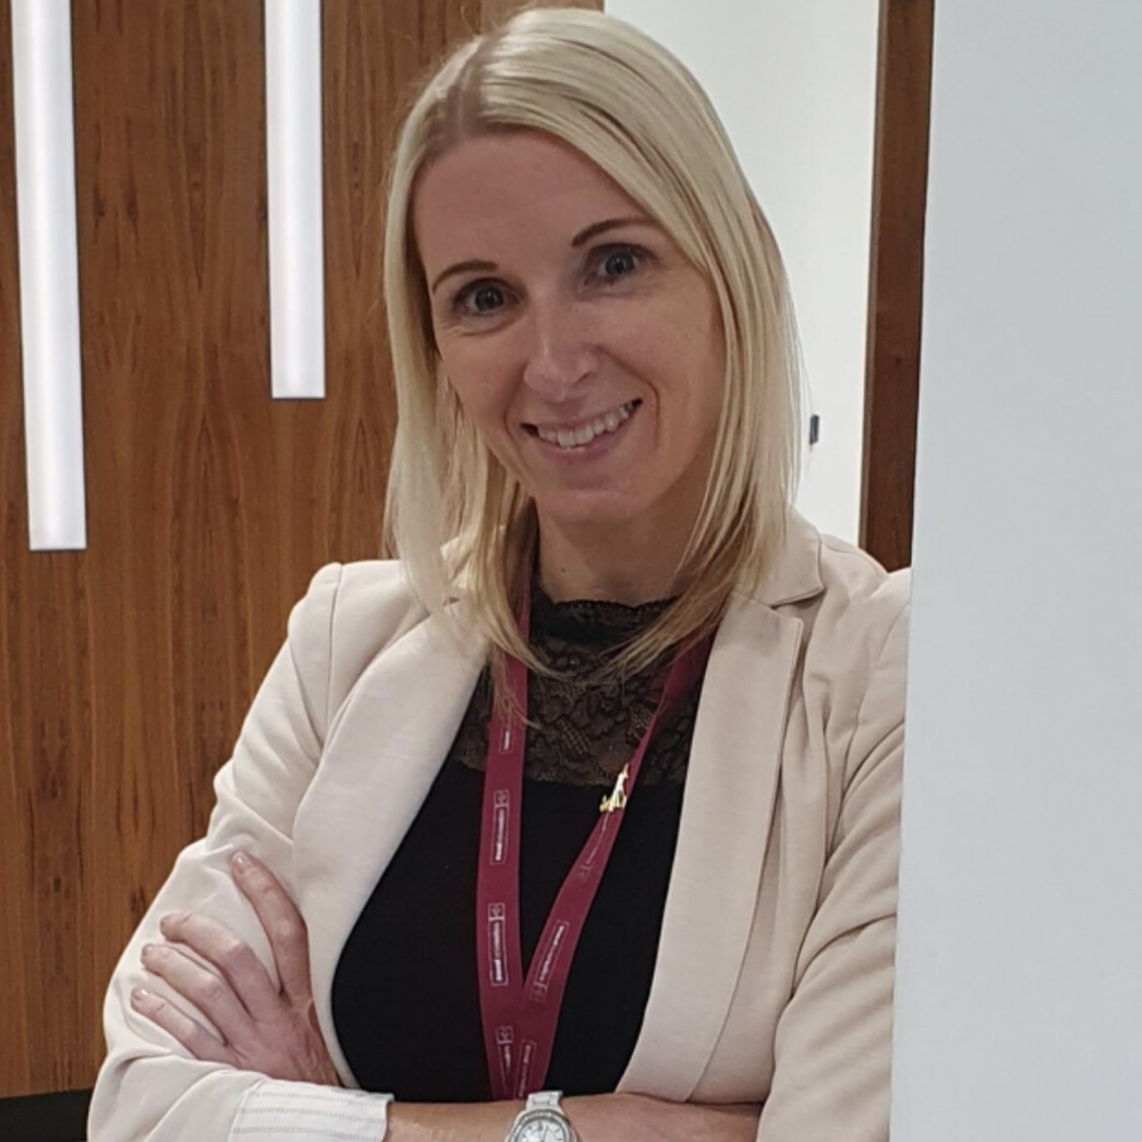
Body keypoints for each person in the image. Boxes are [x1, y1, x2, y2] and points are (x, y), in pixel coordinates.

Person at [89, 8, 909, 1142]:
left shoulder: (880, 676)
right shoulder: (345, 646)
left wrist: (328, 1111)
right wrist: (601, 1129)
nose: (554, 364)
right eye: (484, 296)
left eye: (612, 264)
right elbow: (141, 1109)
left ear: (733, 269)